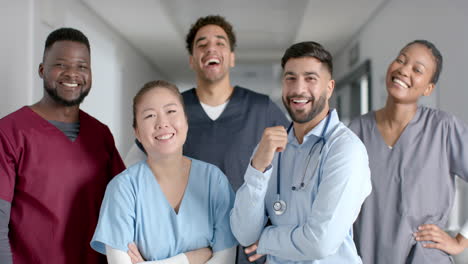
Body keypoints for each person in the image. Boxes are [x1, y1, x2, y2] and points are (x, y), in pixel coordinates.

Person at [124, 15, 288, 264]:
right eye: (202, 44)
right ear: (192, 60)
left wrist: (275, 233)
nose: (211, 48)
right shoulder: (172, 109)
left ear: (232, 56)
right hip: (187, 246)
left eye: (220, 42)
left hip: (248, 248)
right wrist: (134, 231)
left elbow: (291, 176)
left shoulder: (261, 108)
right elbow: (134, 171)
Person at [230, 41, 372, 263]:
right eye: (290, 78)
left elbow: (320, 242)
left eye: (310, 78)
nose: (298, 89)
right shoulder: (268, 149)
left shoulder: (345, 149)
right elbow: (244, 234)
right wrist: (257, 168)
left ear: (329, 87)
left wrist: (265, 239)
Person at [0, 28, 126, 264]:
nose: (72, 74)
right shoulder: (10, 132)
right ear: (41, 70)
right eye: (61, 64)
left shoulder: (100, 135)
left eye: (82, 66)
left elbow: (125, 207)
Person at [91, 80, 237, 264]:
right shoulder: (123, 188)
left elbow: (226, 260)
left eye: (171, 111)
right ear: (136, 132)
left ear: (186, 120)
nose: (162, 123)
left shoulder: (214, 181)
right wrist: (189, 259)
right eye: (150, 115)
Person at [349, 40, 468, 263]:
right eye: (401, 60)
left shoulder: (443, 128)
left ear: (428, 88)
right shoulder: (357, 130)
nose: (403, 70)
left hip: (424, 257)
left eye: (417, 70)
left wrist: (461, 241)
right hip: (365, 255)